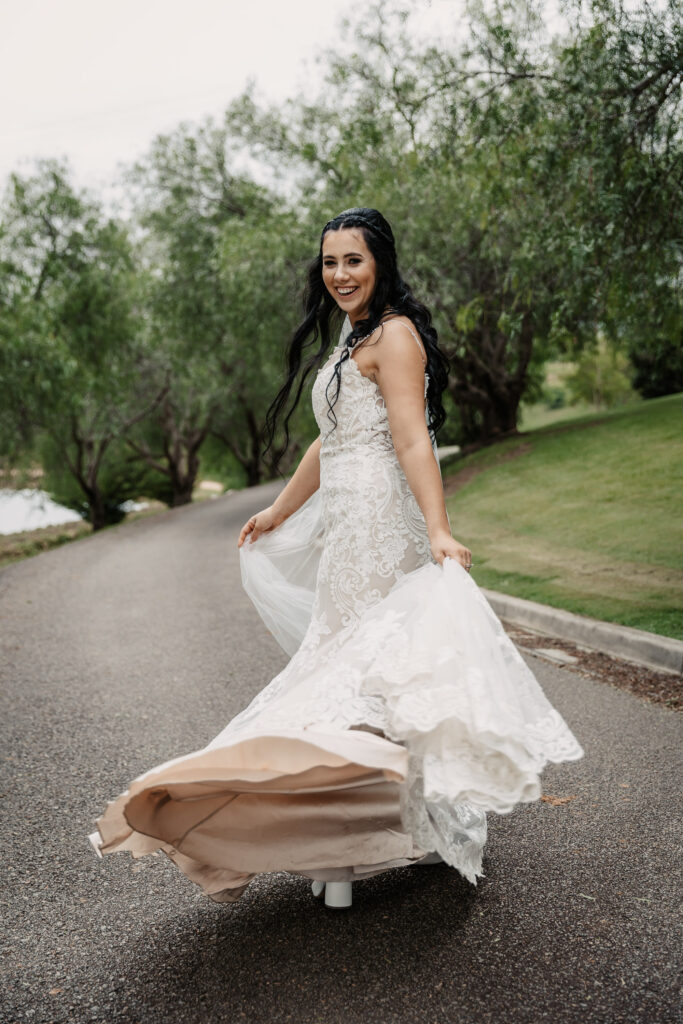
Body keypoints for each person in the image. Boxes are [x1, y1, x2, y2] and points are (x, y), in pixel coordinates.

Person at [88, 207, 583, 910]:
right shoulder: (350, 337)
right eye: (329, 262)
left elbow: (412, 440)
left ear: (379, 261)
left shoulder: (396, 336)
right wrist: (278, 511)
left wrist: (438, 530)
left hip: (383, 523)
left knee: (371, 675)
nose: (340, 274)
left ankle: (375, 834)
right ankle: (349, 837)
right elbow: (328, 442)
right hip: (344, 534)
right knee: (347, 671)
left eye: (352, 260)